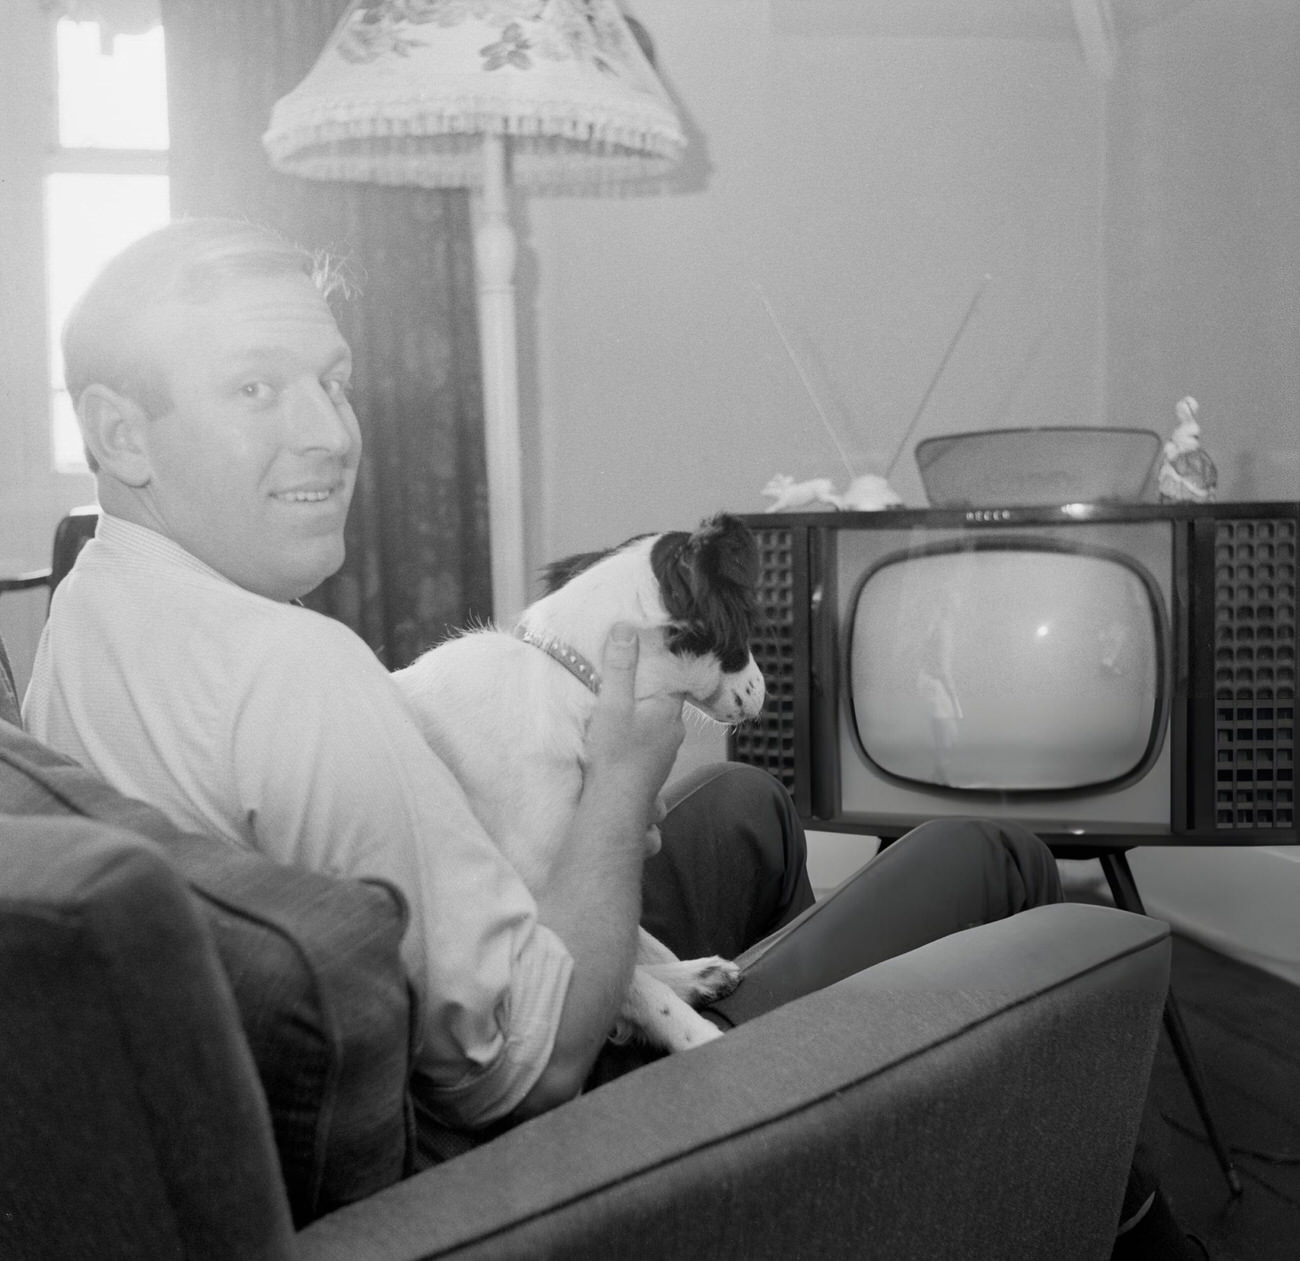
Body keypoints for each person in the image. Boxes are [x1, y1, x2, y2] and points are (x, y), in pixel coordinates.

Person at [23, 219, 1201, 1257]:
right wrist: (625, 768)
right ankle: (873, 1130)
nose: (332, 432)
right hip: (550, 1141)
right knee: (973, 850)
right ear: (122, 434)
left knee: (743, 808)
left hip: (405, 1052)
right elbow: (525, 1068)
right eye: (255, 390)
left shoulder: (88, 603)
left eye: (332, 382)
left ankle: (814, 1034)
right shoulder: (297, 671)